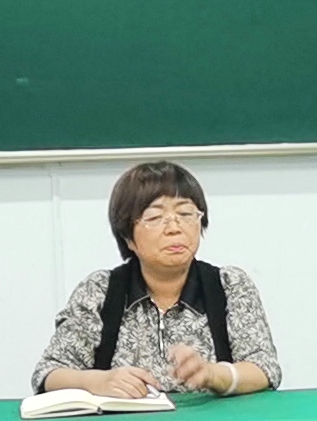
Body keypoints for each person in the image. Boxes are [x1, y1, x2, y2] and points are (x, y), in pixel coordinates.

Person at [34, 161, 282, 400]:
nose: (174, 228)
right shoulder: (99, 290)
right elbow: (48, 373)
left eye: (185, 213)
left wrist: (213, 374)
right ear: (128, 237)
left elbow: (264, 369)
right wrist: (96, 382)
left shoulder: (230, 285)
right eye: (154, 217)